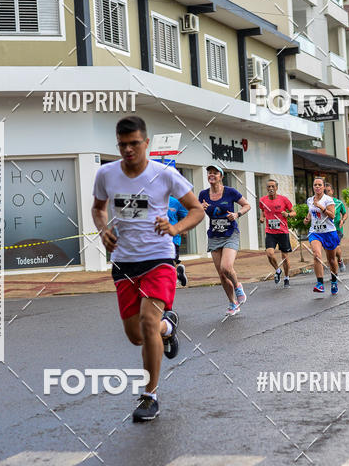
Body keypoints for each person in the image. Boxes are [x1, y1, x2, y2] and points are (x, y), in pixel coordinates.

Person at [92, 115, 204, 422]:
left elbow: (196, 210)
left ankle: (149, 395)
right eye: (122, 144)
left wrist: (175, 228)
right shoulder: (106, 174)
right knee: (136, 335)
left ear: (146, 143)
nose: (128, 150)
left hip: (159, 259)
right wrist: (103, 230)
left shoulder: (164, 174)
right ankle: (168, 329)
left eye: (134, 144)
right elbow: (98, 209)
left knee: (148, 319)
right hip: (124, 261)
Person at [199, 165, 251, 316]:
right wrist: (200, 207)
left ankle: (238, 286)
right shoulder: (203, 194)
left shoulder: (230, 192)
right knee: (221, 275)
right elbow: (195, 212)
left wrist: (237, 214)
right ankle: (232, 303)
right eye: (209, 173)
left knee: (226, 267)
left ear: (221, 176)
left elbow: (247, 205)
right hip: (214, 236)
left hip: (230, 234)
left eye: (215, 173)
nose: (211, 175)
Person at [304, 176, 341, 296]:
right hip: (315, 232)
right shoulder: (310, 200)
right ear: (313, 187)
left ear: (324, 187)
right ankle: (319, 283)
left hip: (329, 233)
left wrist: (321, 206)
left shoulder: (328, 200)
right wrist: (307, 219)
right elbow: (311, 212)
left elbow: (332, 215)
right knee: (316, 255)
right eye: (315, 185)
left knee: (331, 260)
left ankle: (334, 281)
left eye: (320, 185)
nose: (317, 187)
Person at [258, 179, 295, 288]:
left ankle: (287, 278)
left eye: (273, 186)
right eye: (268, 187)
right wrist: (262, 217)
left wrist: (287, 215)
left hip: (283, 231)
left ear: (276, 188)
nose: (270, 189)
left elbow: (294, 212)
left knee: (284, 256)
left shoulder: (283, 200)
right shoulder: (263, 200)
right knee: (269, 253)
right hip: (270, 232)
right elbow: (263, 211)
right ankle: (278, 270)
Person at [324, 182, 348, 272]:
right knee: (328, 251)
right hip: (325, 230)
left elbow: (345, 213)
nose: (327, 192)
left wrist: (342, 220)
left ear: (332, 191)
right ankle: (333, 270)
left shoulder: (338, 202)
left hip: (337, 229)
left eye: (328, 191)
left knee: (335, 247)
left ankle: (340, 260)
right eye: (325, 191)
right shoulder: (321, 203)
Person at [168, 194, 189, 286]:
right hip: (155, 239)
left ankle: (173, 278)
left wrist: (184, 229)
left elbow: (185, 216)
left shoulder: (175, 202)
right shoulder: (151, 201)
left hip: (173, 238)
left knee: (170, 262)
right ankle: (178, 274)